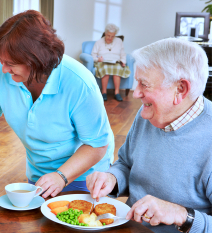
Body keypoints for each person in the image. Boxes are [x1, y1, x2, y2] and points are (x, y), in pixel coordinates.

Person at [0, 10, 114, 198]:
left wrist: (61, 176)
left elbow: (97, 145)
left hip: (85, 177)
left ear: (36, 60)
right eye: (1, 61)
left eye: (10, 63)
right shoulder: (1, 72)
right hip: (40, 175)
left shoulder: (79, 83)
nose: (3, 68)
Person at [86, 38, 212, 233]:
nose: (136, 93)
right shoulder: (148, 113)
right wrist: (112, 179)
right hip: (128, 227)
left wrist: (181, 215)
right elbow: (126, 163)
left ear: (180, 89)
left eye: (144, 84)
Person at [91, 23, 130, 102]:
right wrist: (98, 59)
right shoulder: (99, 42)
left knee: (118, 69)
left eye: (112, 36)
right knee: (105, 69)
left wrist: (123, 61)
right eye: (108, 35)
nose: (110, 38)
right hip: (102, 62)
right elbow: (93, 55)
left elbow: (123, 53)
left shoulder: (119, 41)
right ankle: (104, 92)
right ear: (105, 33)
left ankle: (117, 93)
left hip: (115, 61)